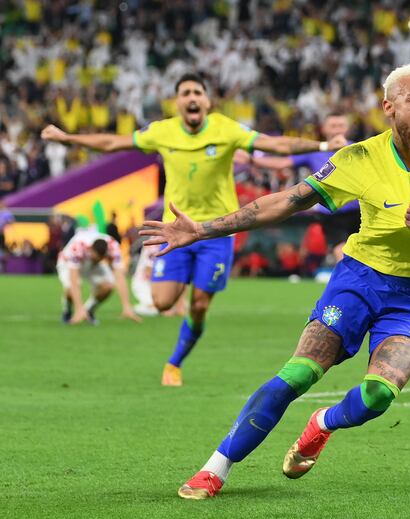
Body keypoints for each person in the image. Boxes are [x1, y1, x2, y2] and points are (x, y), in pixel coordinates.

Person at [141, 62, 410, 499]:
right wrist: (201, 229)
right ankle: (216, 467)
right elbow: (284, 202)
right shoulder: (359, 157)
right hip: (358, 281)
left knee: (379, 395)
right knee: (298, 373)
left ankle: (323, 423)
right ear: (389, 107)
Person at [41, 73, 347, 387]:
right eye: (186, 92)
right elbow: (113, 142)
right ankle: (188, 277)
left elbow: (275, 144)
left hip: (215, 231)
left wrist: (322, 144)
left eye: (198, 92)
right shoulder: (162, 131)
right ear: (177, 103)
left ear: (207, 101)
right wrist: (69, 139)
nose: (192, 97)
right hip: (175, 231)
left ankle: (174, 363)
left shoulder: (225, 128)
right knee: (161, 303)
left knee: (199, 306)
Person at [57, 230, 141, 325]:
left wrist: (126, 306)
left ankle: (88, 311)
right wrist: (78, 308)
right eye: (96, 257)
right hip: (66, 262)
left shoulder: (113, 246)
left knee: (108, 286)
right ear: (90, 250)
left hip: (92, 264)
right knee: (70, 288)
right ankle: (67, 310)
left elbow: (119, 276)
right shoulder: (78, 246)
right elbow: (74, 279)